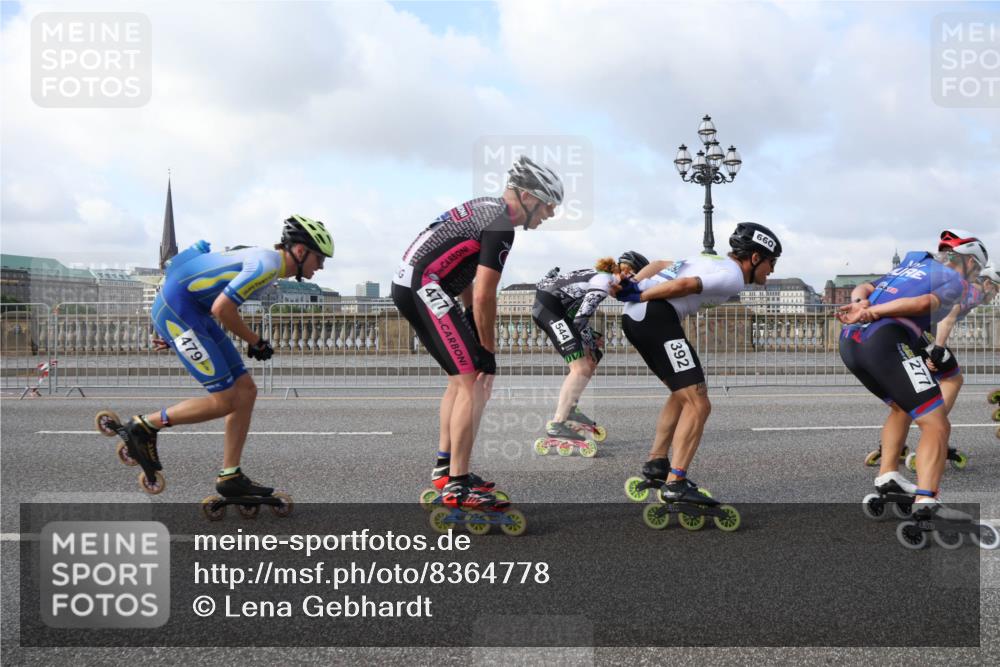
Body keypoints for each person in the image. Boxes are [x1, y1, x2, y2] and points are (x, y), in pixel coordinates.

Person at [97, 215, 333, 504]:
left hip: (190, 313)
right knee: (225, 400)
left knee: (246, 390)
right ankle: (144, 426)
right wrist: (256, 341)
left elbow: (210, 292)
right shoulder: (267, 265)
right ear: (300, 251)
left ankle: (230, 476)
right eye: (319, 259)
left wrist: (177, 336)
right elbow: (223, 309)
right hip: (181, 312)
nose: (321, 266)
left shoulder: (268, 264)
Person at [392, 155, 562, 514]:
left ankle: (446, 469)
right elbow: (486, 294)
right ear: (528, 197)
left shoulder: (486, 208)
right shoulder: (502, 225)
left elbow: (462, 268)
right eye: (548, 205)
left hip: (416, 284)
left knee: (460, 381)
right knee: (474, 382)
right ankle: (457, 483)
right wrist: (488, 351)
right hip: (424, 286)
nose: (550, 214)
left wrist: (469, 315)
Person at [618, 222, 780, 529]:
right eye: (772, 262)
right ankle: (675, 482)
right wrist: (641, 294)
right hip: (655, 316)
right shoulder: (733, 276)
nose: (771, 270)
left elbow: (659, 264)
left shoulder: (711, 260)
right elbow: (685, 285)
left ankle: (657, 463)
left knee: (682, 396)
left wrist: (632, 286)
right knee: (699, 404)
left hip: (637, 318)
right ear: (755, 257)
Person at [837, 230, 994, 541]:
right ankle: (927, 502)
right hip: (885, 340)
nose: (975, 275)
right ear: (968, 262)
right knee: (936, 423)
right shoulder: (955, 281)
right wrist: (872, 311)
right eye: (976, 268)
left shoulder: (914, 263)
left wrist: (860, 305)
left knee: (901, 408)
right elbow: (925, 303)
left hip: (850, 342)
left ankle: (888, 475)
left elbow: (864, 287)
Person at [532, 251, 648, 454]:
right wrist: (586, 338)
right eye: (634, 283)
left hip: (557, 310)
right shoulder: (604, 283)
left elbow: (576, 315)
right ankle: (558, 423)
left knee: (593, 356)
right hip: (549, 310)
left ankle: (571, 409)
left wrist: (591, 338)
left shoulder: (601, 277)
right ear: (627, 273)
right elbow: (579, 320)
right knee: (580, 368)